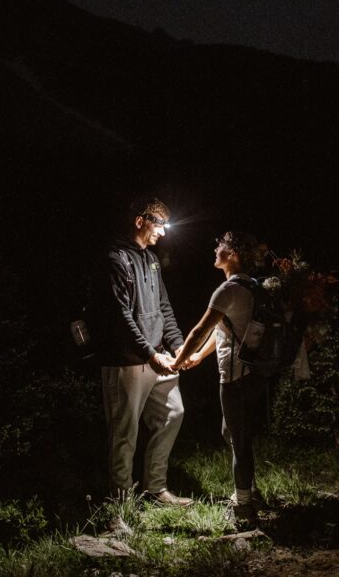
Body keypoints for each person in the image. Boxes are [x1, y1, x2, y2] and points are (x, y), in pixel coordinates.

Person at [95, 197, 192, 506]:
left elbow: (163, 307)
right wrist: (151, 353)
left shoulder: (150, 259)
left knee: (173, 413)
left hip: (158, 357)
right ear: (140, 221)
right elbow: (120, 315)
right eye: (159, 224)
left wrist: (177, 345)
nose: (162, 232)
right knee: (124, 432)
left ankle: (155, 487)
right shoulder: (116, 258)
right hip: (127, 361)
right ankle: (120, 503)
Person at [171, 231, 266, 526]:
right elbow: (225, 328)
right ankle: (250, 490)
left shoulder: (227, 290)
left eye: (221, 247)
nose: (216, 250)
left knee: (238, 438)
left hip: (236, 375)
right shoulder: (252, 286)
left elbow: (198, 331)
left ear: (233, 254)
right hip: (252, 372)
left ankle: (244, 506)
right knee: (233, 433)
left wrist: (176, 361)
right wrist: (199, 357)